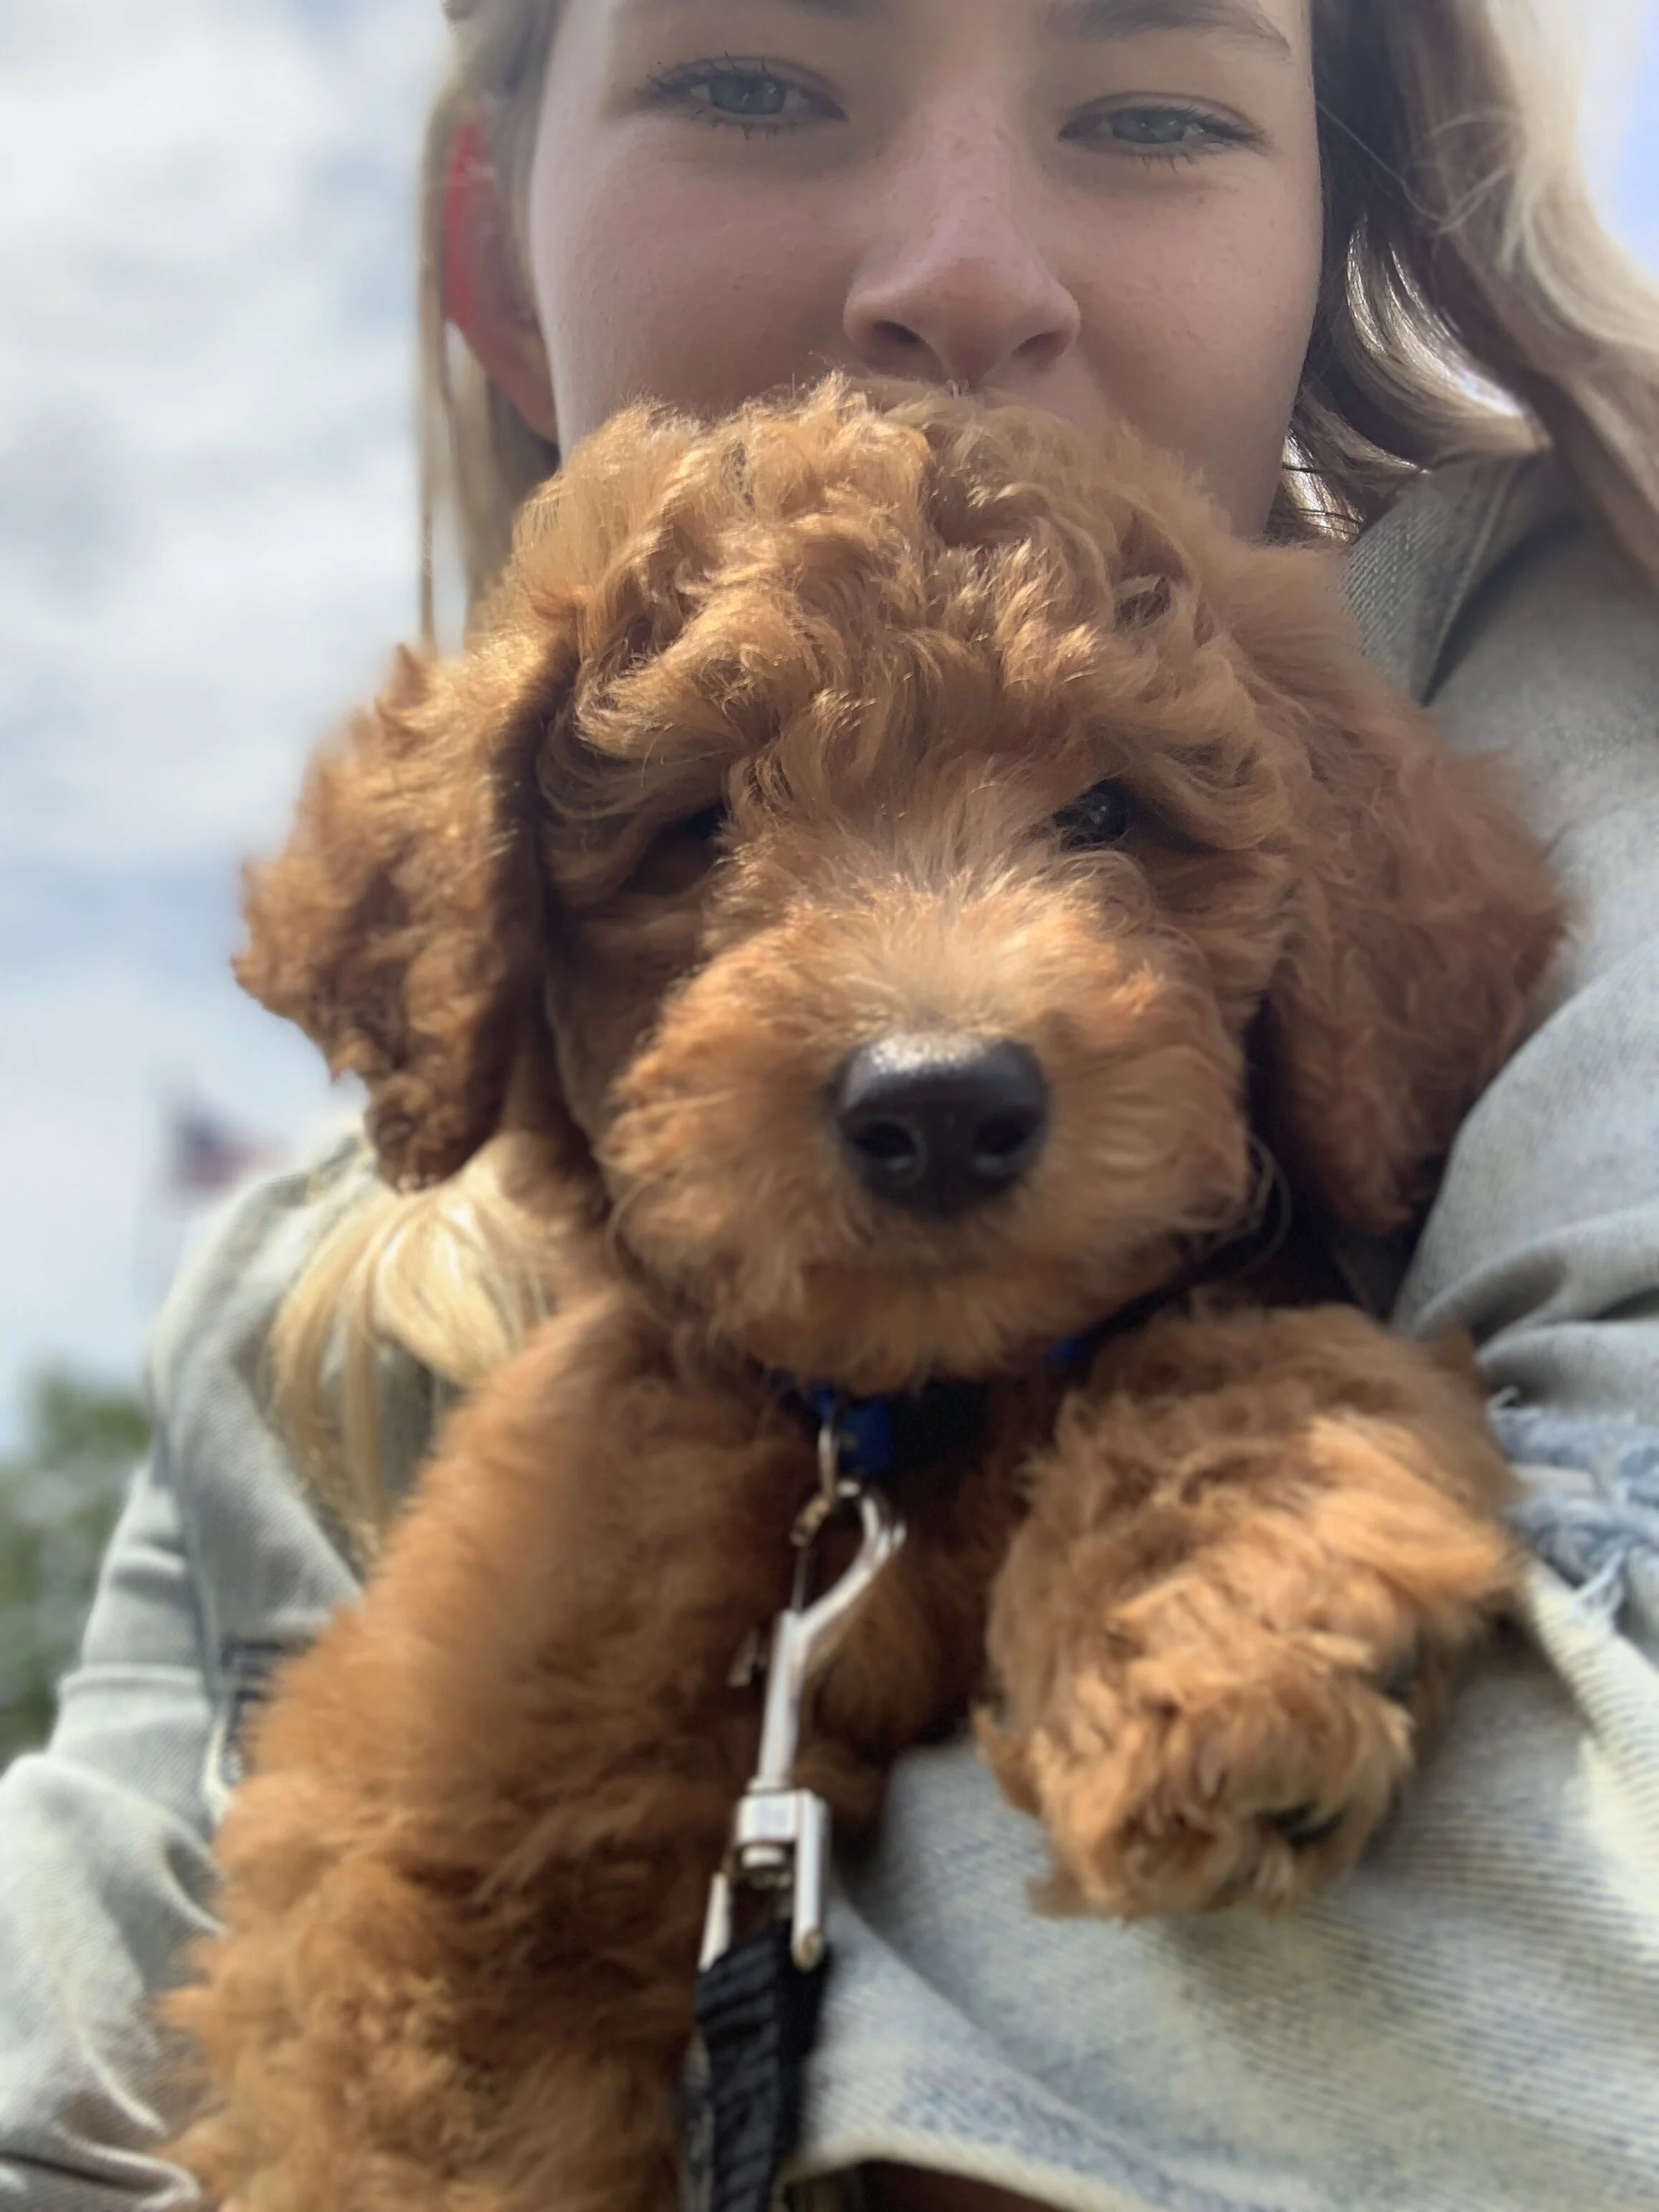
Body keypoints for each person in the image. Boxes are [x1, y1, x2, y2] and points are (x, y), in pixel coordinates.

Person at [4, 1, 1658, 2206]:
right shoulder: (297, 1325)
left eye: (1093, 819)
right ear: (493, 254)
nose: (959, 278)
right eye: (697, 838)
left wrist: (1255, 1440)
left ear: (1332, 221)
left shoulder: (1531, 686)